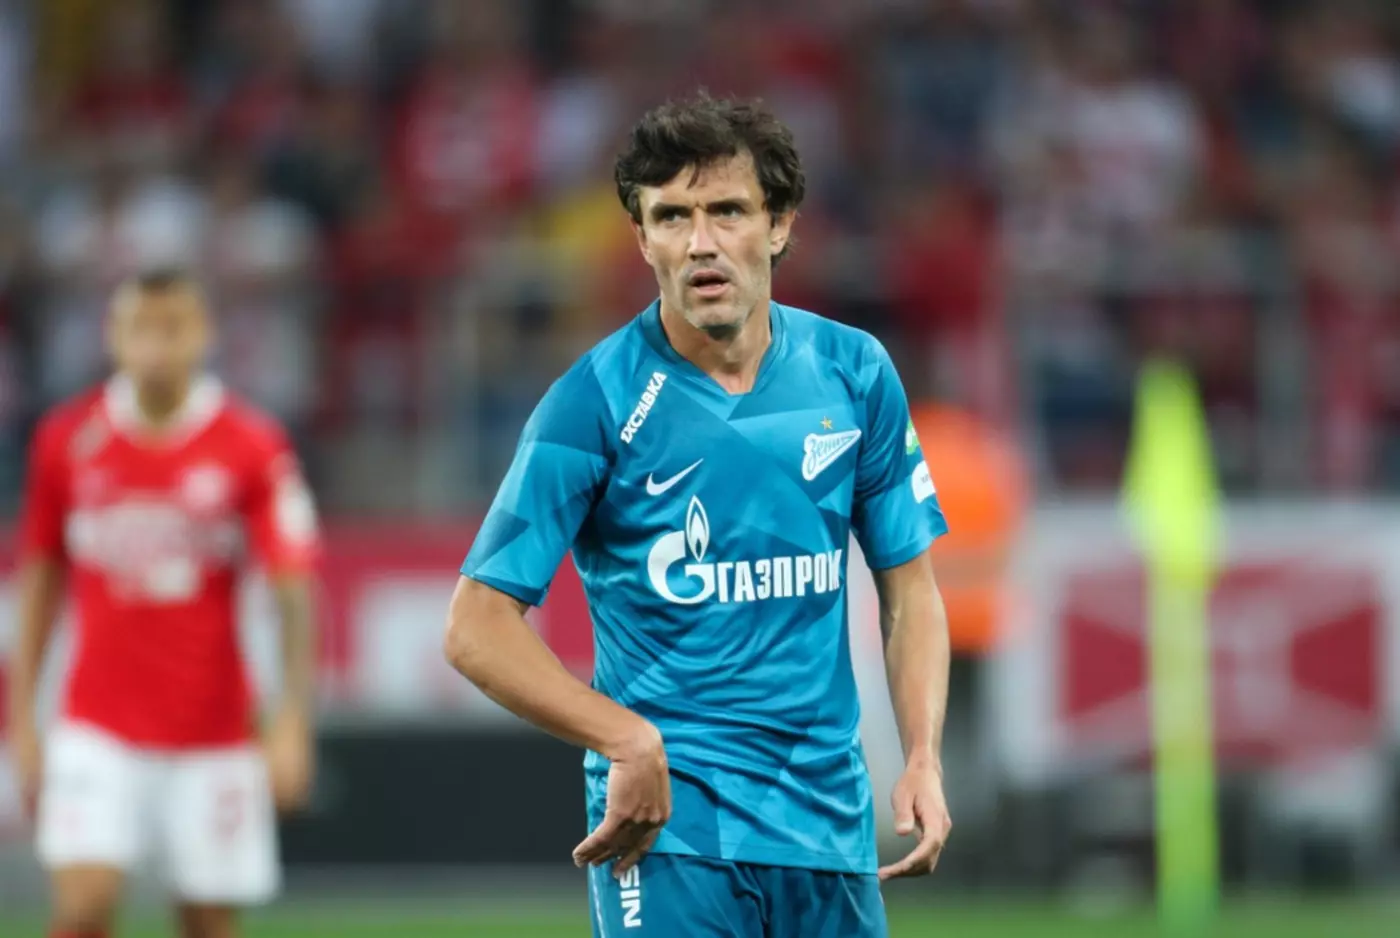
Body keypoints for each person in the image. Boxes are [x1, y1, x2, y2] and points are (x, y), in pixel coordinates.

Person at [445, 93, 952, 937]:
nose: (701, 242)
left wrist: (923, 756)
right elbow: (475, 625)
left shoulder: (855, 373)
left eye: (727, 211)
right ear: (642, 239)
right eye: (671, 217)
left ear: (779, 224)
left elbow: (911, 590)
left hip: (827, 827)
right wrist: (623, 738)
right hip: (670, 829)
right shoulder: (592, 403)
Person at [6, 269, 320, 938]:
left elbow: (293, 587)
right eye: (140, 328)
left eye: (171, 328)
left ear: (202, 334)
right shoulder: (66, 438)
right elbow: (39, 580)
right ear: (112, 336)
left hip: (215, 728)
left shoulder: (252, 444)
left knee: (207, 921)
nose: (154, 346)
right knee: (83, 905)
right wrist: (22, 716)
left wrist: (291, 718)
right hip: (96, 721)